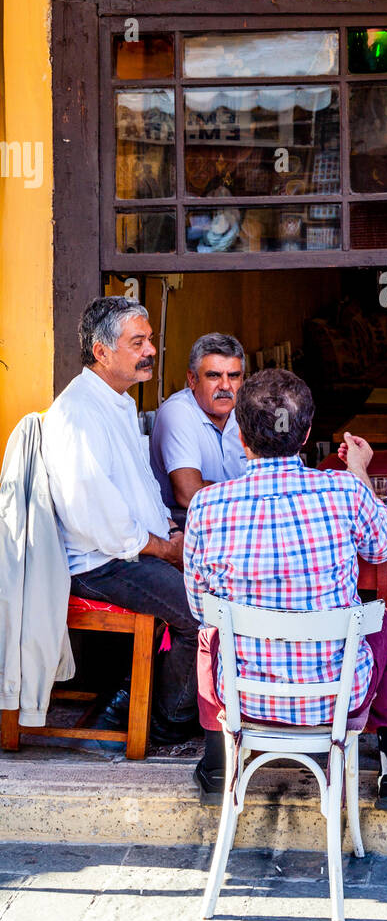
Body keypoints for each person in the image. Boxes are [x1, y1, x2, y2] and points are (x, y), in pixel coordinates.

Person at [184, 368, 387, 811]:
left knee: (208, 631)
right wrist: (359, 471)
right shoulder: (344, 491)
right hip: (336, 699)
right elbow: (385, 544)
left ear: (240, 436)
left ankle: (217, 763)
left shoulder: (207, 505)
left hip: (245, 697)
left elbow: (200, 605)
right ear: (307, 433)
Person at [40, 297, 200, 743]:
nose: (151, 349)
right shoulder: (77, 414)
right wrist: (166, 549)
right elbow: (95, 518)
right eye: (138, 342)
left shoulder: (118, 402)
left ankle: (138, 700)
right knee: (201, 611)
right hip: (97, 564)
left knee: (217, 583)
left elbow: (139, 488)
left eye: (149, 340)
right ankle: (167, 724)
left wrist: (171, 532)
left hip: (130, 551)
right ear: (102, 351)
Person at [150, 333, 246, 524]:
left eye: (233, 376)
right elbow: (188, 493)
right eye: (214, 376)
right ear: (192, 379)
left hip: (238, 523)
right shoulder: (177, 411)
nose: (225, 385)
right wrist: (252, 493)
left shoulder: (245, 411)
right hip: (190, 531)